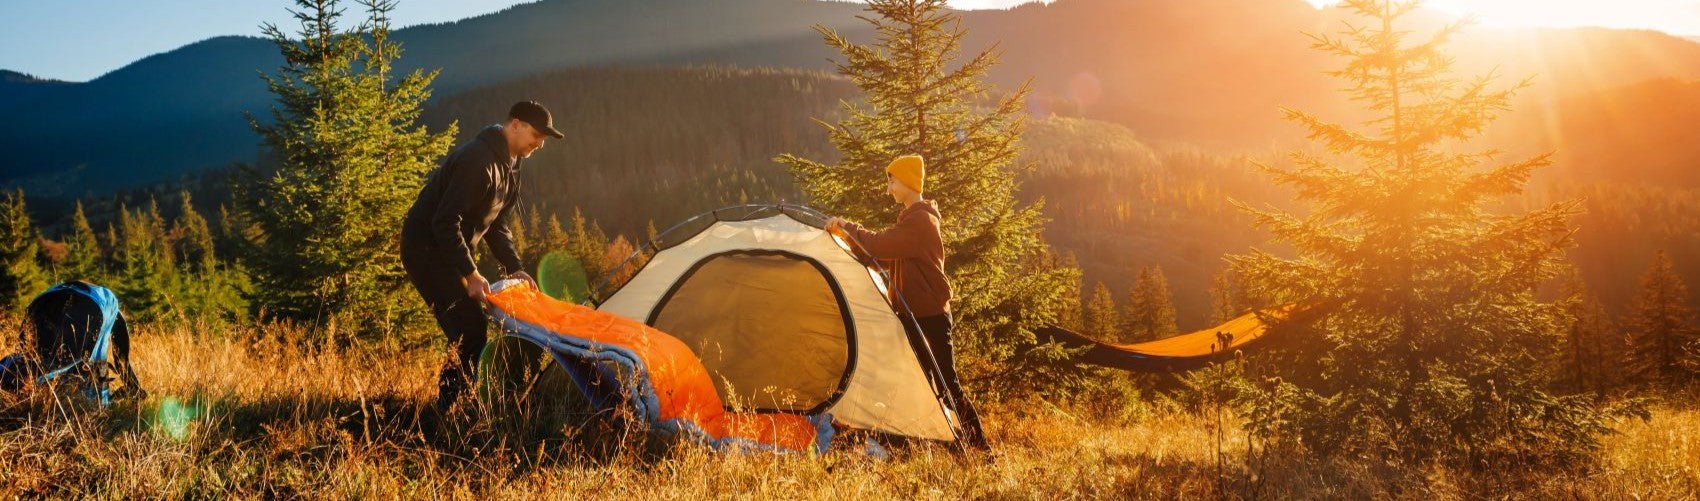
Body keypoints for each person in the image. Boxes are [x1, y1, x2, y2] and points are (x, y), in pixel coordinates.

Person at [401, 100, 561, 411]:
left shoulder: (510, 162)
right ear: (515, 124)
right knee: (468, 327)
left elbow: (496, 221)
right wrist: (470, 273)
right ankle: (451, 408)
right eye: (536, 135)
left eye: (544, 139)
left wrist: (513, 267)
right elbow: (444, 222)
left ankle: (461, 401)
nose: (539, 144)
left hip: (446, 246)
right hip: (425, 248)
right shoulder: (478, 161)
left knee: (470, 327)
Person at [825, 154, 988, 449]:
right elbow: (876, 256)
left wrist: (845, 226)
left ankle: (981, 449)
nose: (888, 188)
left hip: (930, 317)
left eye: (892, 180)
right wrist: (846, 242)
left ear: (909, 182)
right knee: (921, 385)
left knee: (946, 385)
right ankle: (935, 443)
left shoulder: (921, 222)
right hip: (915, 316)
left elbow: (877, 244)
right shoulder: (911, 221)